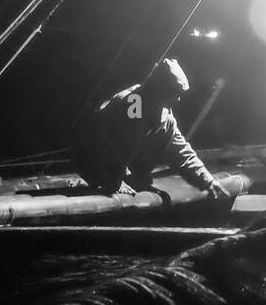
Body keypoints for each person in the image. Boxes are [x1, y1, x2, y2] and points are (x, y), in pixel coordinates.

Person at [78, 58, 229, 199]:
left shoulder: (166, 116)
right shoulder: (134, 101)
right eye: (174, 93)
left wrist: (207, 181)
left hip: (119, 172)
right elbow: (124, 140)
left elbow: (181, 152)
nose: (178, 99)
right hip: (95, 165)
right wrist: (114, 181)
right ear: (159, 88)